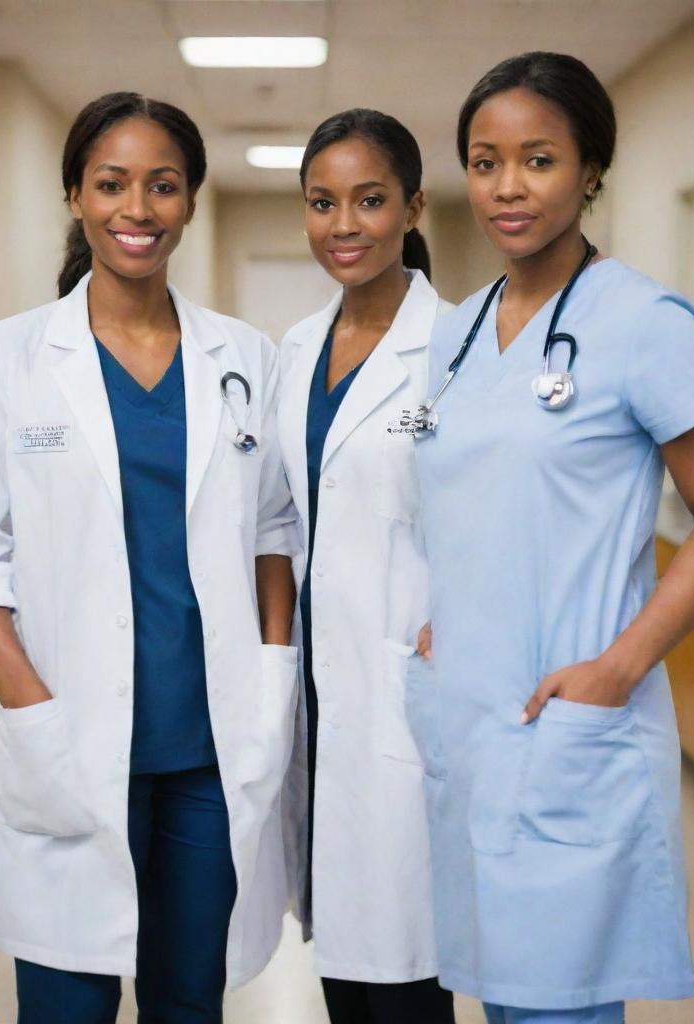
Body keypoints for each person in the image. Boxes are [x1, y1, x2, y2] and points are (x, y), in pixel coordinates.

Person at [0, 92, 299, 1024]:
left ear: (191, 201)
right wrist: (31, 705)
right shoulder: (10, 357)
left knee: (189, 1003)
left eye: (162, 185)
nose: (138, 208)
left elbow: (272, 534)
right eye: (112, 183)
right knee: (65, 1007)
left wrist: (268, 673)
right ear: (75, 196)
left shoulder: (242, 357)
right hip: (67, 740)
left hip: (208, 754)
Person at [410, 53, 694, 1024]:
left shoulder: (643, 323)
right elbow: (461, 498)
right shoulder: (460, 330)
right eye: (484, 163)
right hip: (473, 719)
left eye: (537, 159)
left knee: (555, 1005)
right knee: (500, 996)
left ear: (590, 170)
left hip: (570, 722)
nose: (507, 188)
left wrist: (618, 665)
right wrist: (447, 615)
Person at [277, 109, 455, 1024]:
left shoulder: (461, 347)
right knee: (344, 970)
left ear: (414, 207)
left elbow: (484, 525)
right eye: (322, 202)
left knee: (410, 976)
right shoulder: (294, 351)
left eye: (370, 200)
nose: (343, 224)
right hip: (315, 694)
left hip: (409, 695)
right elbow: (280, 521)